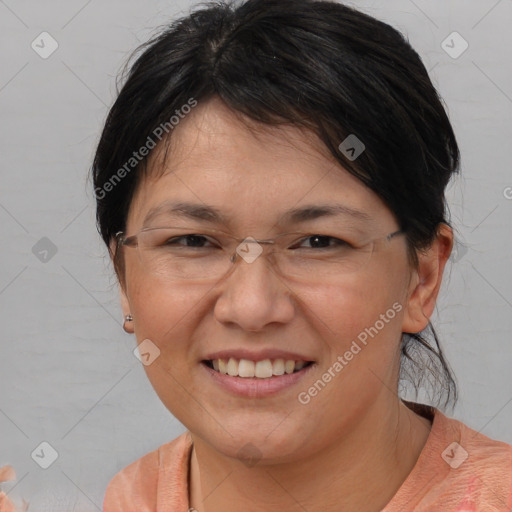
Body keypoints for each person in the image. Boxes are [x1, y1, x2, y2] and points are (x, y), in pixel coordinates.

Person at [89, 0, 512, 510]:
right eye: (192, 241)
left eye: (319, 243)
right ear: (124, 277)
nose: (251, 307)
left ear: (421, 277)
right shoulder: (132, 497)